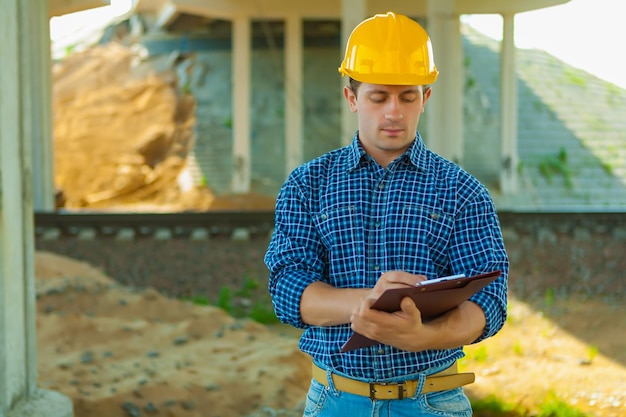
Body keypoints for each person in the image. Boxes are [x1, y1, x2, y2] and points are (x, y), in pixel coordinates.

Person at [264, 11, 508, 417]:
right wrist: (371, 301)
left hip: (431, 403)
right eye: (379, 97)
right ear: (352, 97)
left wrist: (424, 335)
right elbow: (289, 291)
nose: (394, 112)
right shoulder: (307, 185)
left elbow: (490, 303)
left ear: (425, 97)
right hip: (335, 401)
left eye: (407, 96)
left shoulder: (463, 192)